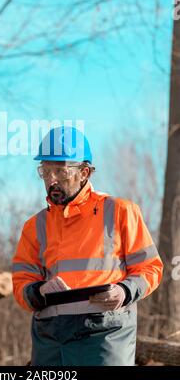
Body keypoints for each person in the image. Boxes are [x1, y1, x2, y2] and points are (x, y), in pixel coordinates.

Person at [11, 126, 163, 366]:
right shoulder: (34, 226)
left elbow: (150, 268)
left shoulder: (121, 211)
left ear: (84, 172)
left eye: (60, 171)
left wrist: (124, 291)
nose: (51, 179)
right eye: (45, 171)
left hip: (105, 337)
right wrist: (39, 291)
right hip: (50, 341)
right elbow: (21, 285)